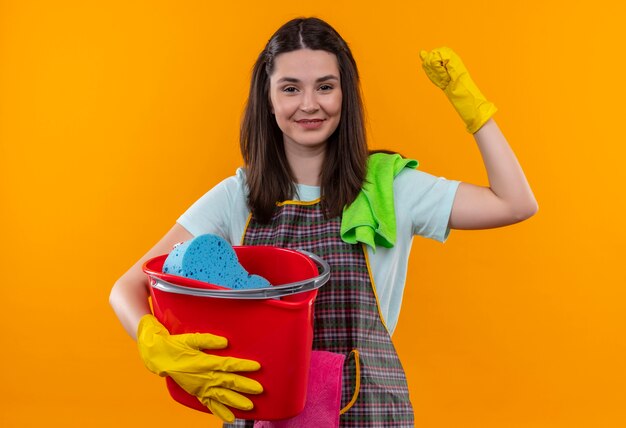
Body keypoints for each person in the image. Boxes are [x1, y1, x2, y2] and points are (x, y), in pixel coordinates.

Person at [109, 16, 537, 428]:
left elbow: (514, 203)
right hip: (263, 412)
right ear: (269, 97)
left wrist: (472, 108)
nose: (309, 104)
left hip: (370, 413)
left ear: (345, 94)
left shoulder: (389, 188)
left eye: (325, 87)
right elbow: (127, 287)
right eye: (291, 88)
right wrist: (155, 343)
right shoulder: (237, 197)